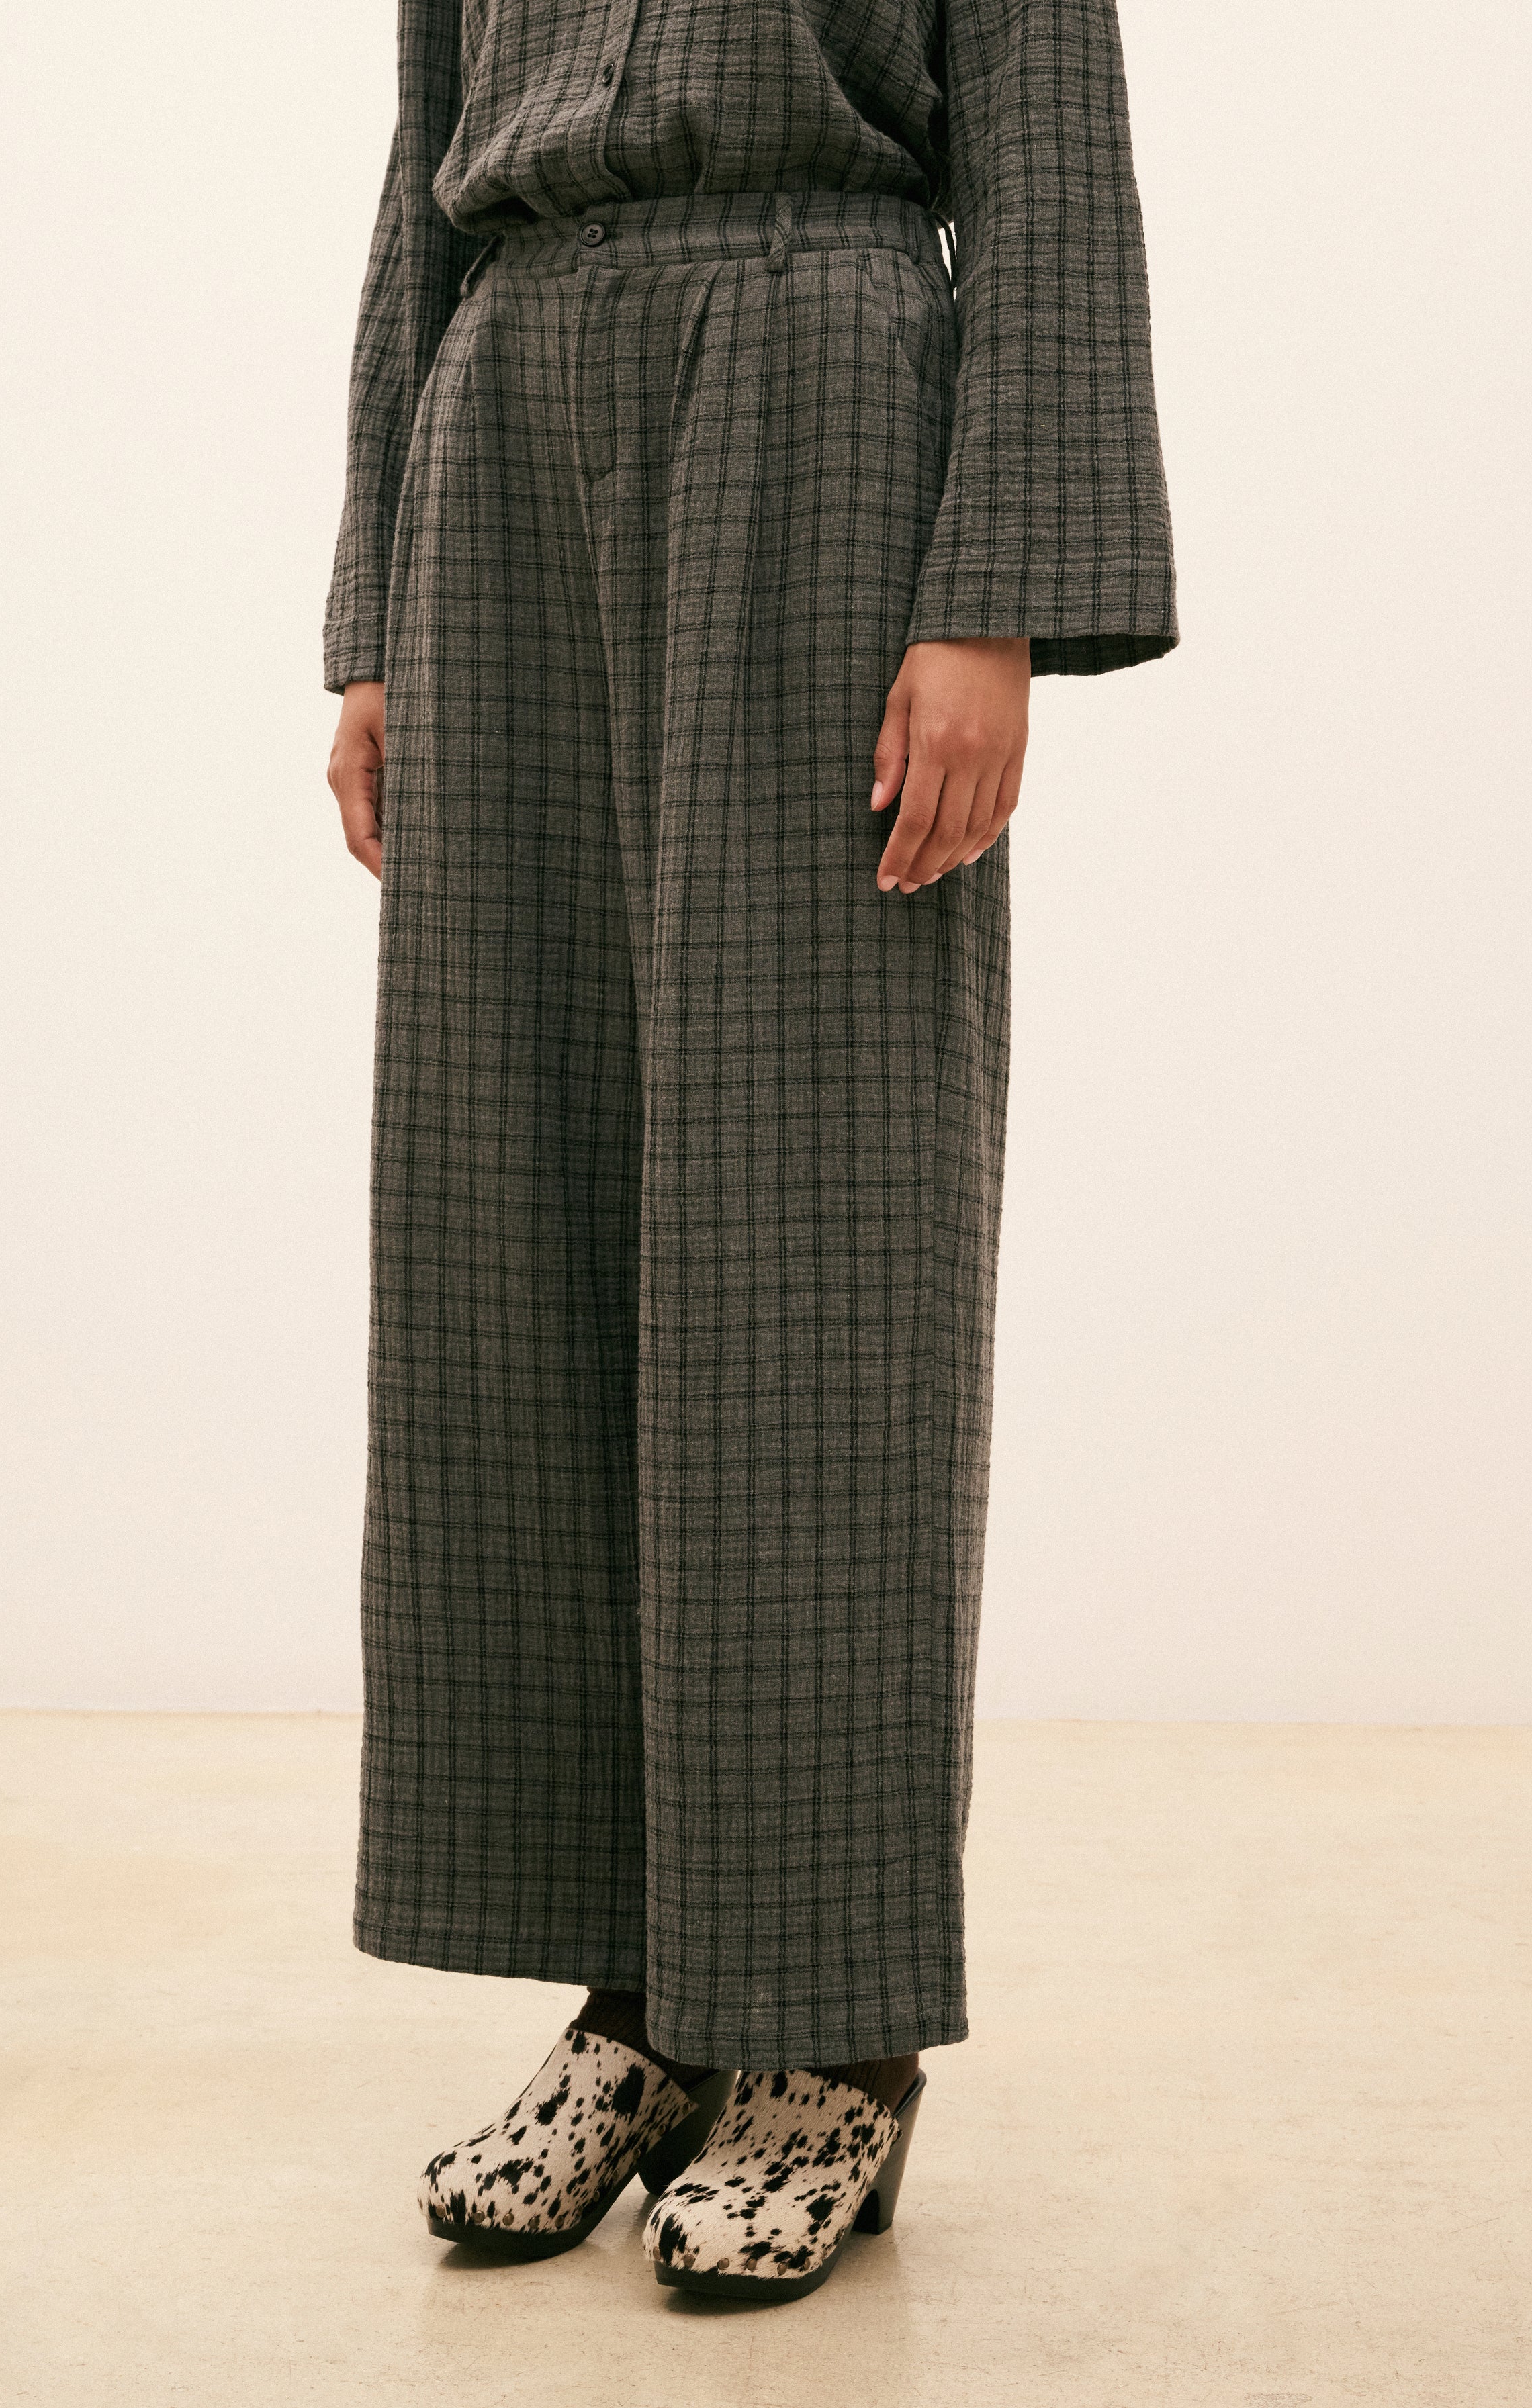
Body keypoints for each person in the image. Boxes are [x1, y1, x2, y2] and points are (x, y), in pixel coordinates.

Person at [324, 0, 1175, 2304]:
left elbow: (1045, 159)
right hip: (506, 425)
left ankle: (822, 2030)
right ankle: (641, 1996)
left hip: (819, 402)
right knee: (517, 1221)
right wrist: (373, 613)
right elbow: (418, 171)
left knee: (814, 1230)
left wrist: (989, 592)